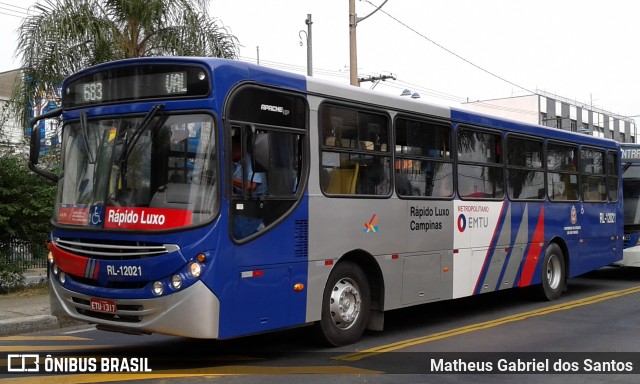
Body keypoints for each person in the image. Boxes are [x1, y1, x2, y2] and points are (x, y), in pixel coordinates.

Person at [231, 134, 267, 238]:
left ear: (239, 149)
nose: (229, 152)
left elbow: (251, 185)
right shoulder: (235, 163)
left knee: (243, 235)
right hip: (238, 203)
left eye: (232, 149)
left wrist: (228, 179)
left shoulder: (251, 162)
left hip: (252, 206)